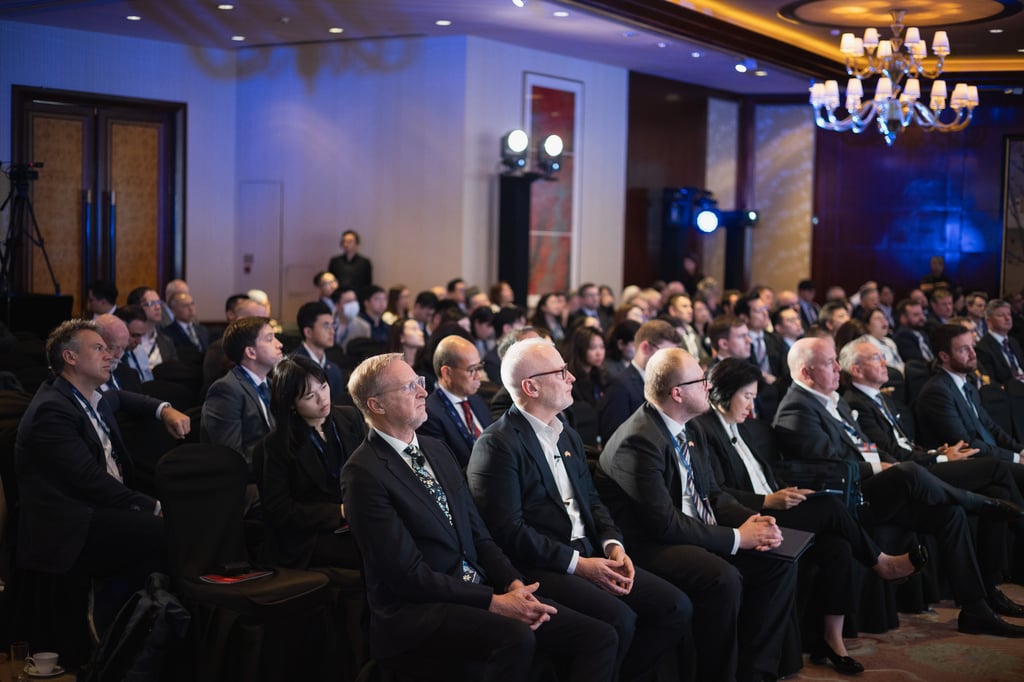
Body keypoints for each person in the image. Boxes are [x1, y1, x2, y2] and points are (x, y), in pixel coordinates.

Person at [341, 353, 619, 682]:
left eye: (420, 383)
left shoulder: (436, 449)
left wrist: (514, 584)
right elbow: (408, 575)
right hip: (418, 609)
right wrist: (495, 602)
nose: (423, 392)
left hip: (478, 588)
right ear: (376, 405)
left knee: (600, 636)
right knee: (516, 637)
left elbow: (480, 536)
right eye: (409, 386)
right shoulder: (363, 473)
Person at [468, 338, 692, 682]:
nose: (571, 377)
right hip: (545, 565)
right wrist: (580, 565)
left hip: (590, 552)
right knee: (620, 619)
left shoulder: (566, 433)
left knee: (675, 607)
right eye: (560, 371)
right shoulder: (497, 445)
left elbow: (592, 501)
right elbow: (508, 531)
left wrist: (613, 545)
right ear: (531, 386)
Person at [774, 336, 1024, 637]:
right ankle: (977, 502)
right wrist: (883, 467)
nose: (838, 368)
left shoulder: (830, 400)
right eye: (829, 363)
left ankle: (976, 608)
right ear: (805, 372)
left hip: (873, 488)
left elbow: (863, 445)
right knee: (908, 472)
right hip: (848, 499)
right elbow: (831, 467)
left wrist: (887, 463)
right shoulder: (796, 409)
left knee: (949, 514)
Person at [691, 358, 922, 674]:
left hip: (775, 504)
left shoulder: (740, 426)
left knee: (838, 546)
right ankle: (881, 562)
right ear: (723, 393)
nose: (752, 405)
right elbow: (718, 493)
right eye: (746, 396)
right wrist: (769, 499)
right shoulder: (705, 429)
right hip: (751, 517)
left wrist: (788, 491)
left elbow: (763, 475)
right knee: (830, 508)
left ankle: (832, 639)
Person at [596, 348, 798, 682]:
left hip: (689, 530)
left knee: (779, 557)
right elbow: (663, 524)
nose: (708, 386)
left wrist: (754, 522)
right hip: (646, 545)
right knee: (722, 577)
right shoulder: (638, 440)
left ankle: (756, 672)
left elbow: (713, 495)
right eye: (701, 380)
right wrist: (737, 538)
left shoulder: (690, 427)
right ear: (677, 393)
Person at [15, 319, 189, 586]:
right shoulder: (51, 410)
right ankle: (154, 615)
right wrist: (153, 507)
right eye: (98, 348)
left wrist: (164, 409)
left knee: (185, 519)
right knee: (170, 529)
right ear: (70, 357)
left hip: (100, 508)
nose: (110, 355)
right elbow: (89, 481)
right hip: (72, 526)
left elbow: (120, 397)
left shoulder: (88, 396)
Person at [260, 356, 365, 569]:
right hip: (310, 536)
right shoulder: (277, 444)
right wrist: (339, 512)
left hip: (357, 520)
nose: (323, 399)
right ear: (291, 404)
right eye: (310, 396)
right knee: (374, 551)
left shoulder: (349, 417)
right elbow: (280, 510)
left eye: (324, 387)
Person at [201, 316, 283, 466]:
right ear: (251, 352)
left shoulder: (273, 385)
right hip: (249, 479)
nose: (279, 344)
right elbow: (230, 456)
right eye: (270, 339)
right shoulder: (226, 390)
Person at [417, 335, 492, 469]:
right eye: (471, 370)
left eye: (479, 367)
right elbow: (447, 469)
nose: (478, 376)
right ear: (447, 373)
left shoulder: (477, 401)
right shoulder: (430, 414)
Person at [292, 301, 345, 401]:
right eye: (326, 326)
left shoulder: (334, 369)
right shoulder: (293, 366)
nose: (332, 332)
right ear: (308, 332)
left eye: (333, 325)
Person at [566, 325, 608, 409]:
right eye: (593, 348)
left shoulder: (601, 375)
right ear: (580, 348)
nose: (599, 353)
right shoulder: (571, 380)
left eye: (602, 347)